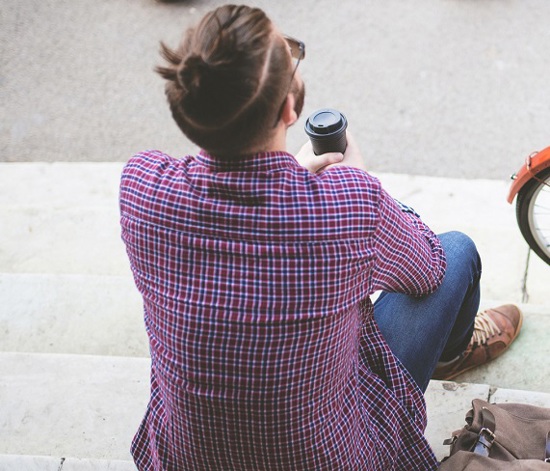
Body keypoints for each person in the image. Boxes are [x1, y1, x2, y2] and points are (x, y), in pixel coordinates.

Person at [119, 4, 522, 470]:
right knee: (456, 251)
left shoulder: (141, 188)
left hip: (190, 457)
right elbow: (428, 267)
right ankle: (452, 353)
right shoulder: (347, 206)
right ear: (290, 108)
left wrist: (291, 176)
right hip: (330, 456)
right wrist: (366, 193)